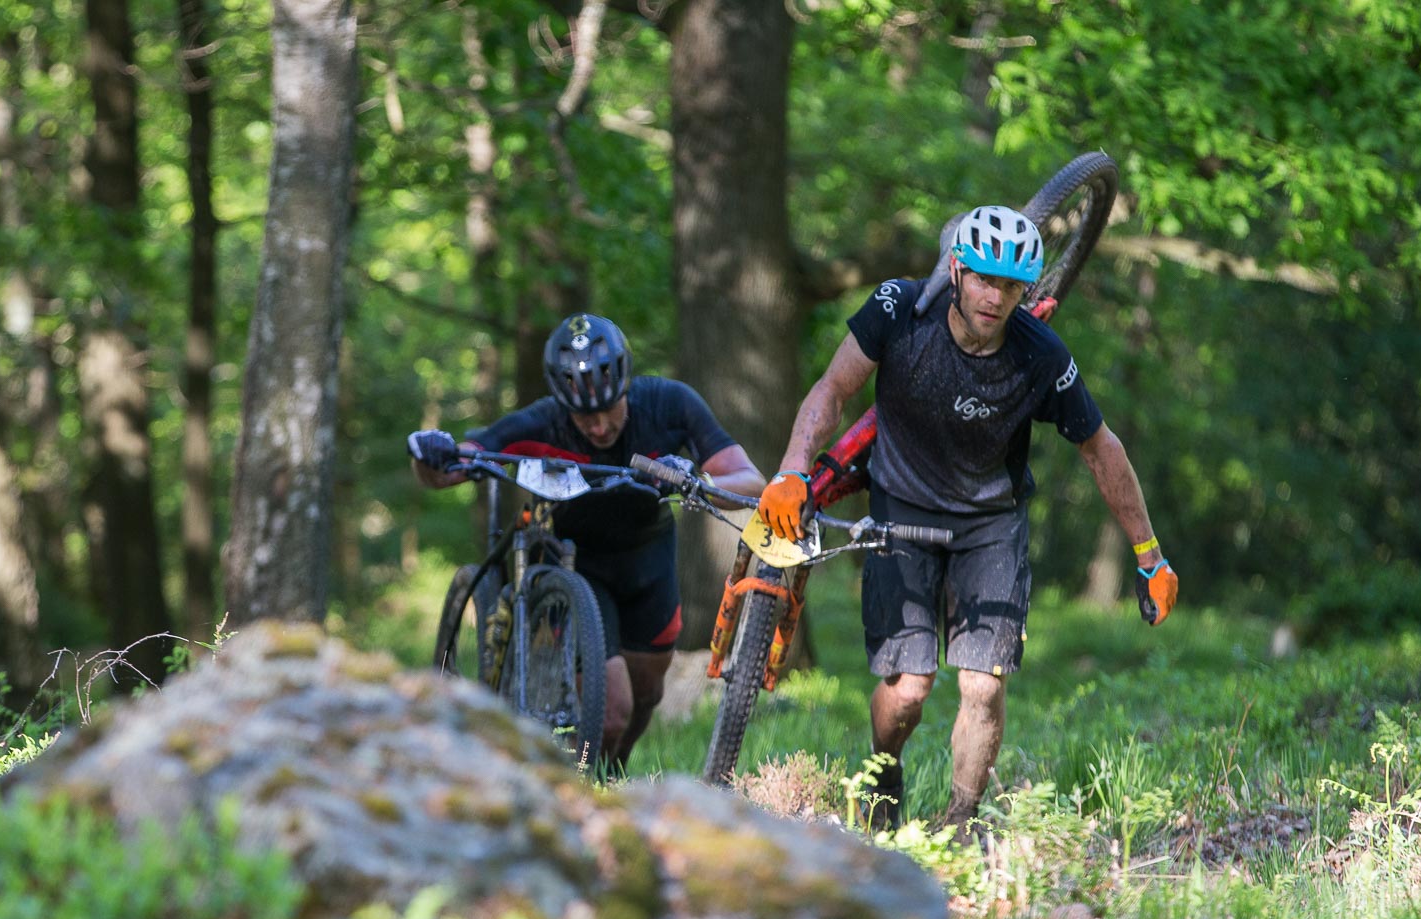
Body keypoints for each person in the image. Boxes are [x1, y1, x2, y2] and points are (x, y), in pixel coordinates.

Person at [757, 204, 1179, 833]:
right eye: (984, 279)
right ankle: (885, 768)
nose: (995, 297)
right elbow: (832, 390)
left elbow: (1101, 450)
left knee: (983, 685)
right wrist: (793, 470)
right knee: (909, 690)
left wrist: (1150, 555)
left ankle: (958, 825)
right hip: (901, 505)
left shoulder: (1039, 355)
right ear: (956, 269)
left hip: (991, 522)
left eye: (1011, 287)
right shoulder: (901, 310)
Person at [409, 313, 765, 768]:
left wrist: (696, 476)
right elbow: (457, 466)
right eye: (584, 417)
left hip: (648, 562)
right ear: (562, 405)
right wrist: (430, 455)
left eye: (608, 410)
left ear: (626, 388)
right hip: (575, 564)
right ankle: (580, 786)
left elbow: (751, 481)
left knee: (646, 696)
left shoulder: (670, 405)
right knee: (611, 711)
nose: (597, 426)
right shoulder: (543, 423)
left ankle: (608, 780)